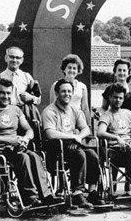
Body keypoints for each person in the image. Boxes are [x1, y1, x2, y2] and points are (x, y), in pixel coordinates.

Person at [0, 78, 53, 207]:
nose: (6, 96)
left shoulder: (16, 110)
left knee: (34, 156)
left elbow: (29, 130)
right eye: (2, 93)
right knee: (23, 157)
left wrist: (25, 139)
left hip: (17, 147)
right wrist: (10, 140)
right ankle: (30, 196)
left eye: (8, 93)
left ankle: (46, 196)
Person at [42, 79, 105, 208]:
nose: (67, 94)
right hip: (56, 148)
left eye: (69, 91)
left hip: (73, 145)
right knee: (79, 154)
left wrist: (79, 137)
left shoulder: (74, 110)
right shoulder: (49, 111)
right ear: (57, 93)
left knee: (92, 155)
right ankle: (77, 193)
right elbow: (50, 134)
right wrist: (72, 137)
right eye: (63, 91)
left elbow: (86, 129)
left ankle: (92, 191)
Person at [97, 83, 131, 200]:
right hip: (115, 149)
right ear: (110, 98)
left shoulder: (128, 113)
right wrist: (116, 138)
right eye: (115, 97)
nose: (118, 100)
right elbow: (100, 132)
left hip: (130, 146)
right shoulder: (107, 115)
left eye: (120, 98)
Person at [0, 47, 42, 132]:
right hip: (6, 114)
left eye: (18, 58)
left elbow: (38, 99)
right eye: (12, 57)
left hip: (25, 115)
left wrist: (31, 98)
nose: (14, 60)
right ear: (6, 58)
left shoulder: (26, 76)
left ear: (22, 60)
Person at [49, 54, 90, 126]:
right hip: (62, 119)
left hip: (78, 120)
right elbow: (52, 106)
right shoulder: (56, 85)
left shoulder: (82, 87)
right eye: (69, 67)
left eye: (74, 68)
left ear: (78, 71)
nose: (72, 70)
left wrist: (88, 125)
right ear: (64, 69)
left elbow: (85, 108)